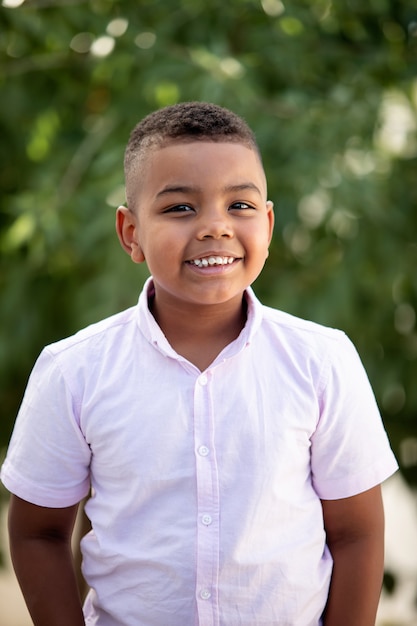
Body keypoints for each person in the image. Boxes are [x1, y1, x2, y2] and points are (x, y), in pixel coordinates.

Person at [1, 102, 398, 626]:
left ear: (270, 223)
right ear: (130, 233)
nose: (215, 227)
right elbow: (38, 532)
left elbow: (356, 533)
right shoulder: (73, 370)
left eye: (240, 206)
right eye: (180, 208)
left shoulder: (321, 360)